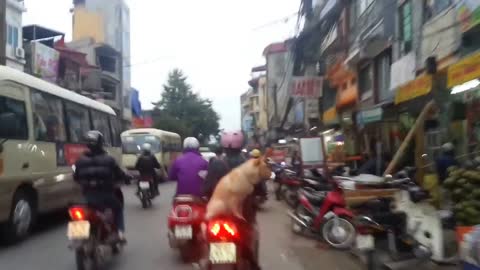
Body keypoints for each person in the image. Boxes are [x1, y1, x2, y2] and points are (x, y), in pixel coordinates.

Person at [202, 131, 265, 270]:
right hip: (244, 215)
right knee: (253, 233)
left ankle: (207, 260)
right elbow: (261, 189)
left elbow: (205, 189)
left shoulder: (215, 164)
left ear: (223, 146)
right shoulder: (250, 164)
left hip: (219, 215)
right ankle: (254, 262)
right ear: (241, 145)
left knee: (206, 232)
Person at [73, 130, 129, 241]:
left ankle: (78, 236)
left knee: (80, 212)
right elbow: (120, 174)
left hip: (87, 196)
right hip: (105, 195)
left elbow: (76, 177)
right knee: (118, 208)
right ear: (100, 143)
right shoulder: (109, 160)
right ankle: (120, 233)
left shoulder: (79, 161)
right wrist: (127, 178)